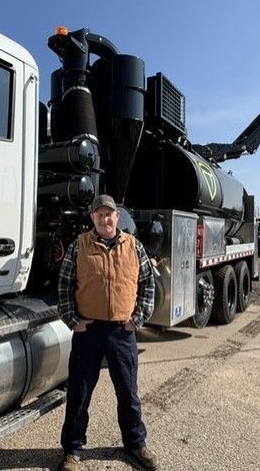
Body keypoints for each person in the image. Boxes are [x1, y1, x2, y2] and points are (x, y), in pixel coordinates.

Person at [57, 194, 158, 471]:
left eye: (109, 214)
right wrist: (72, 319)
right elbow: (64, 286)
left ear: (117, 217)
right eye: (99, 214)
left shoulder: (133, 246)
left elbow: (148, 283)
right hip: (88, 330)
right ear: (92, 218)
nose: (105, 218)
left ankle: (135, 443)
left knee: (128, 392)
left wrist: (138, 319)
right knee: (79, 392)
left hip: (121, 332)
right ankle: (73, 450)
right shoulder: (80, 246)